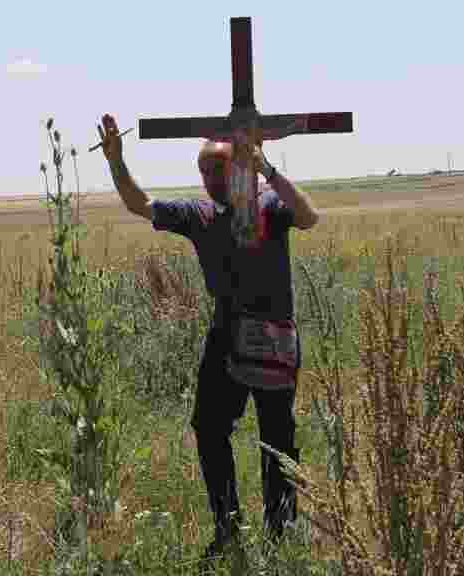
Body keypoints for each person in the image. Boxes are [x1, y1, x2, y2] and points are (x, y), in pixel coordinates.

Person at [96, 114, 319, 564]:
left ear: (238, 164)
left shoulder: (270, 206)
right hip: (226, 333)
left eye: (217, 168)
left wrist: (266, 169)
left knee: (277, 438)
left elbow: (309, 217)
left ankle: (281, 535)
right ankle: (227, 528)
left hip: (273, 333)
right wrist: (117, 163)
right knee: (210, 429)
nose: (209, 178)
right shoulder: (199, 216)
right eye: (203, 171)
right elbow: (141, 204)